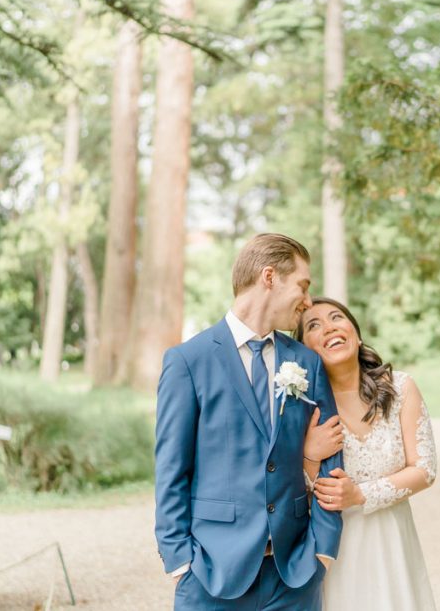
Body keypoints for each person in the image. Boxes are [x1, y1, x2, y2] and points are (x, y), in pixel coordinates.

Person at [154, 234, 343, 610]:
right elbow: (172, 469)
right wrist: (180, 561)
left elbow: (331, 460)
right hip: (211, 574)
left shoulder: (306, 362)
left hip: (295, 575)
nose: (308, 303)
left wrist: (323, 549)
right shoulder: (188, 362)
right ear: (269, 277)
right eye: (303, 286)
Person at [296, 297, 438, 610]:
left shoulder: (401, 388)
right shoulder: (302, 407)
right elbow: (293, 489)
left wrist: (360, 494)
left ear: (356, 334)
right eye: (314, 325)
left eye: (337, 317)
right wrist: (310, 454)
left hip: (393, 542)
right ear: (304, 349)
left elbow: (425, 469)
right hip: (335, 548)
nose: (329, 327)